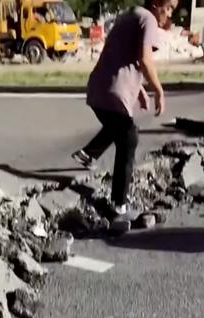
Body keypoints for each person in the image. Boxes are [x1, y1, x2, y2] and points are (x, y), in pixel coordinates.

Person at [71, 0, 176, 217]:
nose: (170, 14)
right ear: (157, 3)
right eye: (169, 7)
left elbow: (125, 56)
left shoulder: (130, 15)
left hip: (98, 88)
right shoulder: (148, 19)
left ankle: (87, 154)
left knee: (117, 127)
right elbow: (145, 60)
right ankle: (119, 204)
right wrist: (159, 91)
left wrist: (141, 90)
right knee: (128, 136)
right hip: (112, 92)